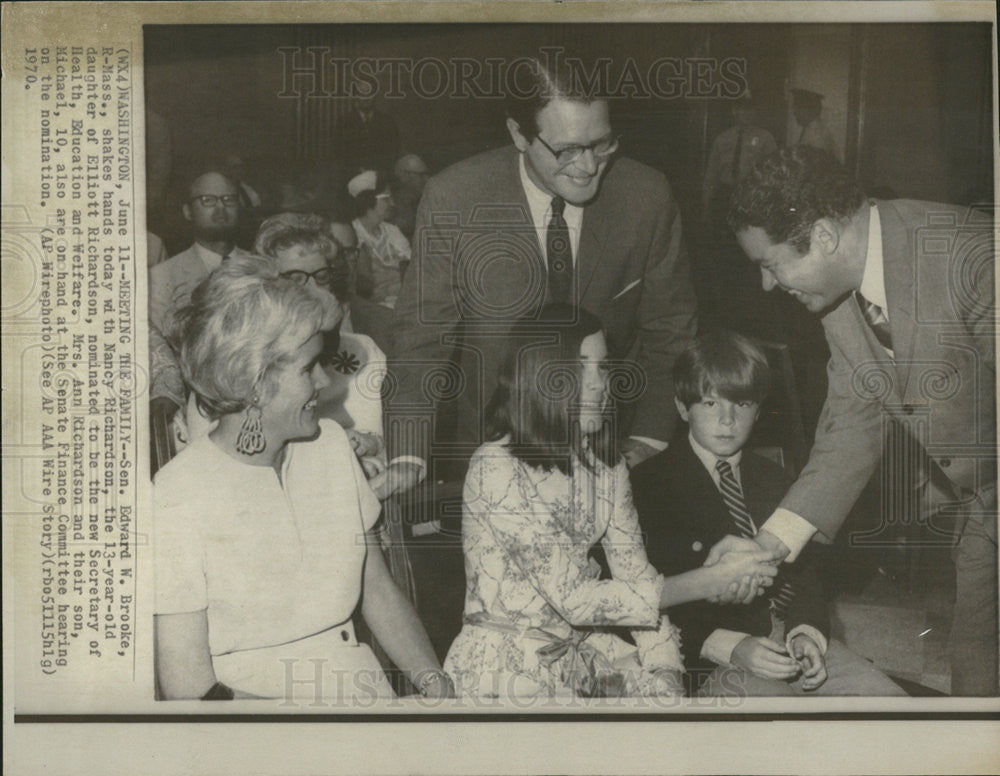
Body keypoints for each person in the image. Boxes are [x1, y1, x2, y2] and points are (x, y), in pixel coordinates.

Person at [725, 145, 996, 696]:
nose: (767, 286)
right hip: (982, 505)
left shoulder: (972, 256)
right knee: (977, 663)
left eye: (770, 263)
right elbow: (853, 425)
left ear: (824, 237)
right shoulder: (840, 301)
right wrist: (773, 541)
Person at [387, 56, 697, 498]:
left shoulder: (646, 196)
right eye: (567, 149)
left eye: (602, 143)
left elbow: (671, 331)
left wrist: (650, 438)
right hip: (489, 460)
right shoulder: (454, 197)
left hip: (612, 458)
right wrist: (407, 456)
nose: (589, 166)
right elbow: (421, 338)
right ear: (518, 134)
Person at [153, 255, 452, 701]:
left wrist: (434, 682)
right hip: (252, 725)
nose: (325, 381)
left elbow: (376, 588)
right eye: (308, 367)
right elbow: (189, 688)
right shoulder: (178, 493)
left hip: (362, 693)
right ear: (254, 382)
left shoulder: (330, 446)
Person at [444, 306, 779, 698]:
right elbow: (575, 601)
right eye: (579, 368)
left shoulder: (605, 466)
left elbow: (635, 575)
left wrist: (666, 669)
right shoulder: (496, 466)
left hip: (584, 653)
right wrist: (707, 580)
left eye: (601, 368)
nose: (597, 384)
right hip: (505, 665)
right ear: (539, 377)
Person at [631, 331, 907, 696]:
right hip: (705, 655)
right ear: (683, 407)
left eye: (741, 405)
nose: (727, 420)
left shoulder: (775, 478)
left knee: (886, 701)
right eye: (711, 404)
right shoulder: (647, 484)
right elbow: (636, 602)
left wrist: (805, 632)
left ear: (759, 410)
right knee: (783, 725)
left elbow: (806, 573)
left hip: (782, 636)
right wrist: (730, 646)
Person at [148, 169, 250, 413]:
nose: (220, 208)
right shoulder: (162, 275)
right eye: (208, 201)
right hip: (193, 402)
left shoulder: (261, 267)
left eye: (229, 200)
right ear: (187, 211)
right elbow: (161, 350)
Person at [349, 170, 411, 309]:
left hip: (403, 302)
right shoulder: (353, 234)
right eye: (386, 198)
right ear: (368, 200)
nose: (392, 203)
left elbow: (412, 271)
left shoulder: (392, 231)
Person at [390, 153, 430, 240]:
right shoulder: (391, 204)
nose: (427, 179)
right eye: (421, 175)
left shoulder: (430, 199)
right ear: (405, 176)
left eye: (427, 174)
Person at [790, 88, 838, 160]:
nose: (794, 113)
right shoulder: (811, 128)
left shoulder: (817, 133)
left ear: (811, 110)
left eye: (798, 109)